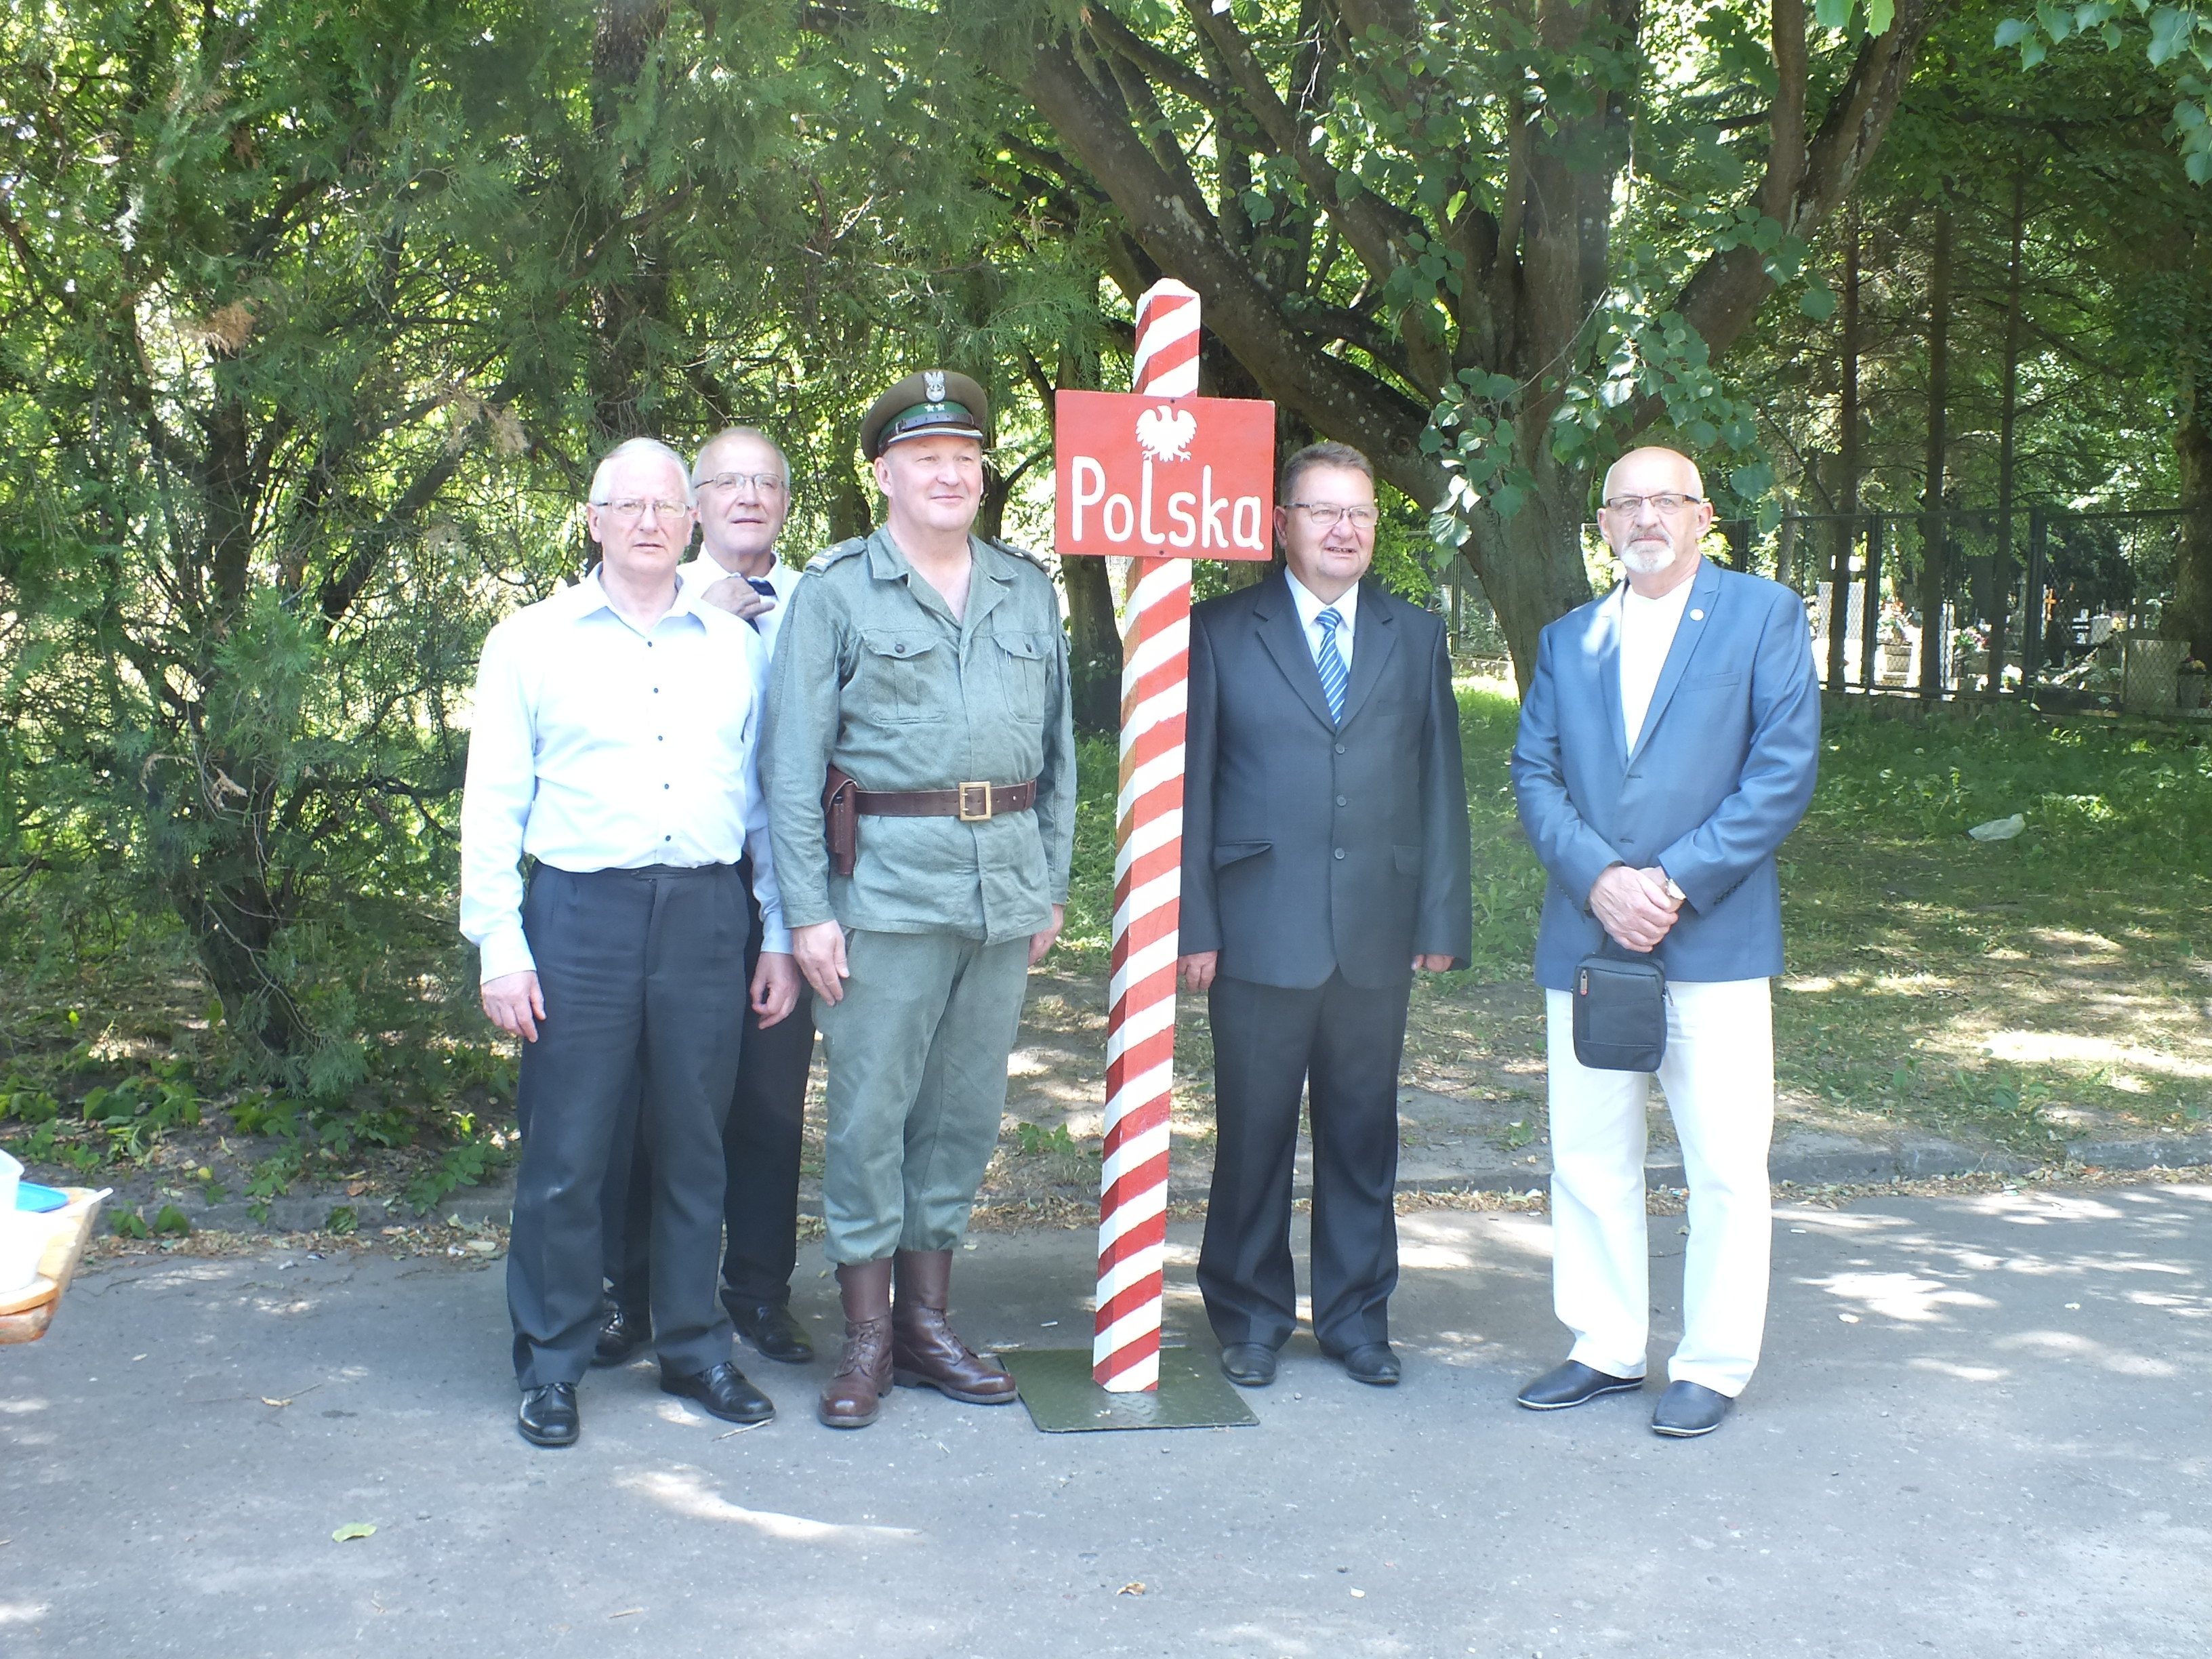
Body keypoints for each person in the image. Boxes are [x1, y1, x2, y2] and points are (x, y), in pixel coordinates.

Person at [459, 436, 800, 1448]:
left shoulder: (734, 647)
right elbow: (493, 801)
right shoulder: (531, 641)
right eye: (628, 505)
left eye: (666, 506)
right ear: (595, 519)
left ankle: (694, 1350)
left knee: (696, 1144)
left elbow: (760, 806)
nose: (649, 521)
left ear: (692, 522)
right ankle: (551, 1363)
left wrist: (778, 931)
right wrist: (500, 944)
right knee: (568, 1150)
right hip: (580, 917)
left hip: (706, 915)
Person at [762, 370, 1076, 1429]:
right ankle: (864, 1336)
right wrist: (809, 911)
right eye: (926, 458)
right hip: (884, 893)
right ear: (885, 475)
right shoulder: (835, 591)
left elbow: (1059, 755)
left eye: (966, 457)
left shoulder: (1025, 589)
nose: (950, 473)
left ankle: (925, 1326)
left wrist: (1049, 885)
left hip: (1001, 892)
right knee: (869, 1117)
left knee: (961, 1117)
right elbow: (792, 766)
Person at [1509, 444, 1820, 1438]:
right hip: (1590, 936)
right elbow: (1534, 774)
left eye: (1666, 501)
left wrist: (1673, 882)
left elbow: (1782, 770)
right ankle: (1603, 1347)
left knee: (1724, 1163)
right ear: (1603, 524)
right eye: (1627, 504)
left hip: (1714, 937)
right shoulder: (1569, 638)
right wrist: (1602, 880)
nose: (1647, 518)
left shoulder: (1763, 615)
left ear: (1702, 516)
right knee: (1588, 1154)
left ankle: (1713, 1365)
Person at [1175, 441, 1471, 1390]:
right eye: (1323, 511)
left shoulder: (1414, 635)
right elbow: (1190, 789)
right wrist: (1194, 923)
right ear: (1281, 525)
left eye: (1360, 513)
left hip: (1377, 929)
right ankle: (1249, 1315)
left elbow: (1440, 785)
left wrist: (1440, 919)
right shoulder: (1219, 631)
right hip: (1257, 927)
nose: (1345, 530)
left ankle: (1356, 1318)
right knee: (1252, 1135)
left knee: (1362, 1134)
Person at [594, 428, 819, 1370]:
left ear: (785, 502)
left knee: (768, 1098)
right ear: (695, 505)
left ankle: (759, 1291)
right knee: (653, 1099)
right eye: (728, 481)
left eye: (767, 482)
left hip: (790, 874)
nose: (749, 497)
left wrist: (795, 915)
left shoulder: (821, 601)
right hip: (674, 876)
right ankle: (632, 1294)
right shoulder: (655, 600)